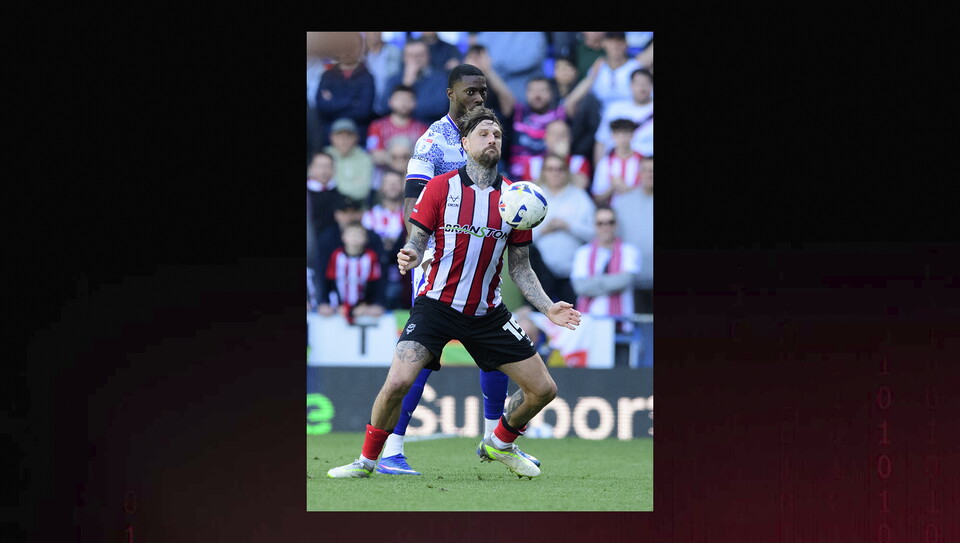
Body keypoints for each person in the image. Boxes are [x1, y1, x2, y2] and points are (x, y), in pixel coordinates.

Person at [327, 106, 582, 479]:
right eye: (483, 134)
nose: (492, 140)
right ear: (464, 143)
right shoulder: (440, 187)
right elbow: (417, 241)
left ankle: (499, 442)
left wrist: (547, 308)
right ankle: (366, 461)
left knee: (544, 390)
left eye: (497, 135)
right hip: (436, 306)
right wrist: (410, 254)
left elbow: (520, 267)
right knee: (397, 381)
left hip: (487, 313)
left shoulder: (515, 199)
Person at [376, 64, 536, 476]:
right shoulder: (432, 142)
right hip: (437, 263)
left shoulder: (487, 132)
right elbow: (413, 204)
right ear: (450, 93)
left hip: (481, 262)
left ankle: (492, 438)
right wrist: (420, 250)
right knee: (419, 356)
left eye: (483, 91)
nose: (478, 98)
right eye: (470, 91)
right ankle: (393, 448)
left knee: (495, 352)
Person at [570, 206, 641, 367]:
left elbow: (624, 281)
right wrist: (610, 282)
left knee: (620, 373)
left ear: (616, 224)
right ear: (594, 226)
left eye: (610, 222)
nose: (605, 227)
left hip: (620, 325)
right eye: (600, 223)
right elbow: (580, 288)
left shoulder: (629, 251)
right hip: (588, 324)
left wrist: (593, 282)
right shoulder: (583, 253)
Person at [529, 153, 596, 305]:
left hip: (572, 272)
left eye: (560, 169)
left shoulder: (580, 197)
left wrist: (569, 226)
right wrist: (543, 230)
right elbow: (520, 236)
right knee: (540, 315)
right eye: (550, 169)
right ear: (543, 172)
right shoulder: (533, 197)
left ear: (567, 171)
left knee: (573, 315)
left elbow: (594, 234)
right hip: (539, 273)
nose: (555, 173)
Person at [312, 197, 386, 307]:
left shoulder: (373, 237)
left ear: (361, 214)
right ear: (337, 215)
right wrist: (324, 301)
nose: (349, 217)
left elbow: (380, 272)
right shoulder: (326, 238)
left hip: (366, 303)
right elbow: (321, 271)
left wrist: (377, 303)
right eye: (344, 212)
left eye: (354, 212)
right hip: (336, 302)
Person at [314, 32, 376, 148]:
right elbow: (322, 107)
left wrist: (333, 101)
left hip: (358, 138)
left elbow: (363, 111)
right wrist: (353, 101)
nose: (349, 51)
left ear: (360, 48)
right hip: (328, 137)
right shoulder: (327, 76)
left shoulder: (367, 77)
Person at [318, 221, 386, 322]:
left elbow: (375, 283)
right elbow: (330, 281)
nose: (354, 238)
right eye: (351, 235)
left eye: (358, 235)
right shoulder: (336, 256)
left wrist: (371, 305)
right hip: (339, 307)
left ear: (365, 239)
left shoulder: (371, 257)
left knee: (376, 312)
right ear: (343, 237)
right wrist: (329, 303)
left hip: (364, 307)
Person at [611, 155, 653, 310]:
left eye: (653, 170)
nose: (650, 174)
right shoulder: (623, 202)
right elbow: (614, 238)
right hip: (631, 280)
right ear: (639, 173)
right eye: (646, 170)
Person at [362, 169, 407, 310]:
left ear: (403, 186)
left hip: (405, 277)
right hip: (377, 279)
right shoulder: (370, 216)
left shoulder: (411, 214)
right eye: (388, 182)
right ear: (381, 187)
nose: (392, 186)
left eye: (396, 182)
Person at [378, 38, 450, 125]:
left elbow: (440, 107)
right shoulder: (394, 79)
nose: (415, 60)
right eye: (410, 55)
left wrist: (402, 106)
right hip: (398, 129)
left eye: (420, 55)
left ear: (428, 56)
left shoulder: (440, 78)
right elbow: (383, 107)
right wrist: (406, 84)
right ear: (404, 58)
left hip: (429, 128)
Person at [593, 67, 654, 166]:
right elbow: (601, 141)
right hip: (615, 167)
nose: (642, 88)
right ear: (630, 85)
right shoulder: (615, 109)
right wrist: (599, 169)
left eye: (646, 84)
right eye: (638, 84)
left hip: (647, 169)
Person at [471, 32, 548, 109]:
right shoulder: (486, 35)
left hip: (524, 100)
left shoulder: (533, 34)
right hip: (491, 96)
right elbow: (477, 59)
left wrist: (493, 66)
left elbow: (530, 59)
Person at [550, 55, 603, 164]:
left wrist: (576, 151)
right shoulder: (549, 94)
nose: (563, 71)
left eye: (567, 67)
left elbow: (593, 129)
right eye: (559, 67)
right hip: (551, 153)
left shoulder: (588, 98)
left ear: (576, 71)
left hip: (580, 153)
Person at [365, 85, 430, 171]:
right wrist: (400, 159)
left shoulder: (422, 129)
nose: (403, 103)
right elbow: (374, 154)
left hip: (411, 172)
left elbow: (425, 157)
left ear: (415, 103)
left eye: (408, 100)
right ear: (390, 102)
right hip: (384, 173)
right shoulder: (377, 126)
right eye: (399, 99)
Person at [516, 119, 592, 190]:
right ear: (545, 138)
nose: (558, 138)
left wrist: (562, 159)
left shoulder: (580, 162)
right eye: (553, 134)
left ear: (570, 139)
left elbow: (580, 186)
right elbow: (529, 191)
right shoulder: (533, 163)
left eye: (563, 134)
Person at [591, 118, 645, 207]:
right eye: (618, 135)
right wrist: (612, 187)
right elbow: (597, 198)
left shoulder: (643, 161)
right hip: (614, 211)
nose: (622, 139)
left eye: (626, 134)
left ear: (633, 135)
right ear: (612, 136)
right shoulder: (605, 163)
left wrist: (629, 190)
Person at [589, 32, 644, 117]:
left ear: (626, 44)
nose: (616, 45)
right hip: (600, 117)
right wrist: (592, 76)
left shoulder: (636, 67)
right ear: (603, 43)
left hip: (631, 116)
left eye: (619, 41)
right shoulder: (597, 67)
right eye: (611, 41)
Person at [324, 118, 375, 203]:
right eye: (339, 135)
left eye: (349, 135)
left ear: (356, 137)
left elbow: (363, 190)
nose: (344, 139)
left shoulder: (365, 158)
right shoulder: (324, 156)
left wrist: (337, 190)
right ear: (331, 137)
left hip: (358, 206)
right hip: (330, 205)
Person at [364, 31, 403, 118]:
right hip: (365, 107)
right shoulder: (359, 54)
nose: (374, 34)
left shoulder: (395, 52)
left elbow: (399, 78)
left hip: (389, 106)